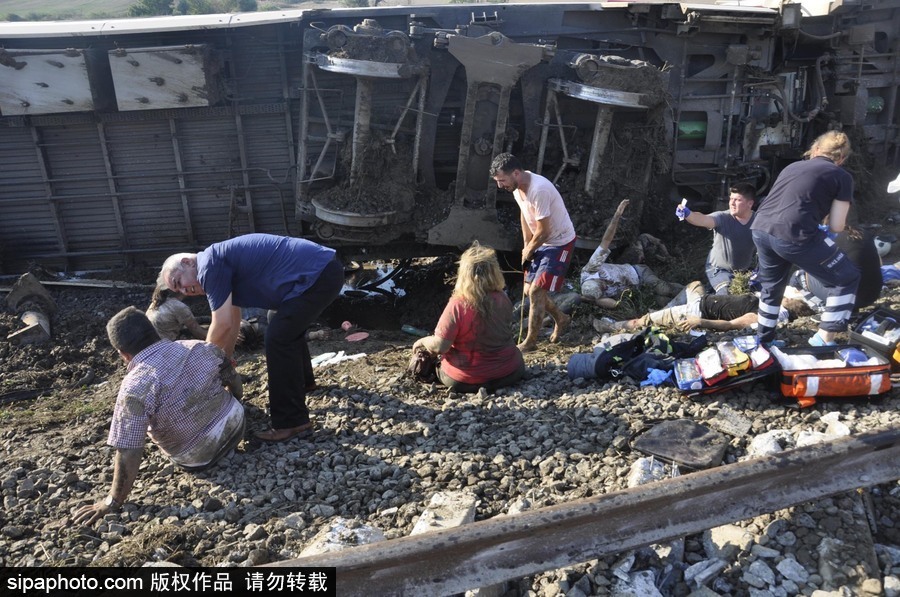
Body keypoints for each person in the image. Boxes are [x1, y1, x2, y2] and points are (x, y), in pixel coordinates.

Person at [158, 233, 343, 443]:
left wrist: (204, 369)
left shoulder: (209, 265)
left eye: (179, 281)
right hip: (323, 269)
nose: (184, 290)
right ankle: (304, 383)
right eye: (178, 290)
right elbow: (233, 321)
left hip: (319, 274)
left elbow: (221, 323)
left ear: (187, 262)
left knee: (278, 337)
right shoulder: (215, 264)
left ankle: (292, 423)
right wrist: (223, 364)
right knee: (279, 321)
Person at [73, 307, 244, 526]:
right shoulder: (199, 347)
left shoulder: (134, 387)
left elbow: (129, 449)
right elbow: (232, 378)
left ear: (123, 354)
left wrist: (112, 501)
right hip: (237, 424)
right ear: (154, 331)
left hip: (198, 457)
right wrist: (238, 401)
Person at [750, 130, 861, 346]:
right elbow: (837, 225)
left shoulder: (792, 167)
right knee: (846, 276)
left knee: (772, 286)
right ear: (842, 158)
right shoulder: (841, 177)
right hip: (795, 233)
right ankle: (823, 339)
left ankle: (764, 341)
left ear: (816, 149)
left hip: (761, 228)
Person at [490, 153, 577, 353]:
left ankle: (530, 342)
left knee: (537, 291)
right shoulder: (517, 188)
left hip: (558, 242)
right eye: (497, 181)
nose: (500, 185)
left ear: (516, 173)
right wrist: (526, 244)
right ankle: (561, 319)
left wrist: (531, 248)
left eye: (502, 180)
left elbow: (545, 230)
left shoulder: (539, 190)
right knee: (530, 291)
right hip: (541, 241)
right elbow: (524, 214)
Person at [412, 242, 525, 393]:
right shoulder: (503, 298)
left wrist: (422, 341)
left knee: (426, 360)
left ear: (463, 273)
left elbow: (441, 346)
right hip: (510, 372)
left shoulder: (458, 305)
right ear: (495, 271)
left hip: (465, 379)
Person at [592, 281, 811, 333]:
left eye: (789, 296)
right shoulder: (765, 302)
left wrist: (700, 322)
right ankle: (663, 309)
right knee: (694, 283)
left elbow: (730, 325)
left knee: (643, 322)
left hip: (697, 312)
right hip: (702, 300)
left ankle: (609, 327)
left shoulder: (763, 315)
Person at [580, 199, 683, 308]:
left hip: (639, 272)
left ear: (594, 279)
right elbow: (615, 304)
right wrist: (591, 300)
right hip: (640, 290)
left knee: (664, 289)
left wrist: (616, 216)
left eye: (601, 285)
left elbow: (606, 240)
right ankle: (688, 302)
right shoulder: (595, 294)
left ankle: (691, 290)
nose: (605, 288)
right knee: (663, 301)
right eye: (602, 291)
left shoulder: (591, 269)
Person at [676, 183, 757, 294]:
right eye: (731, 199)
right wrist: (688, 214)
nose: (732, 203)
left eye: (737, 200)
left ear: (750, 203)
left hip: (743, 272)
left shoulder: (759, 221)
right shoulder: (723, 217)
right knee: (726, 296)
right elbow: (703, 219)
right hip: (718, 269)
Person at [784, 226, 883, 314]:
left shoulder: (829, 241)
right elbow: (880, 263)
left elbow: (818, 269)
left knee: (798, 276)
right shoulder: (863, 232)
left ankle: (823, 308)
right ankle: (850, 310)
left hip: (851, 299)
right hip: (874, 294)